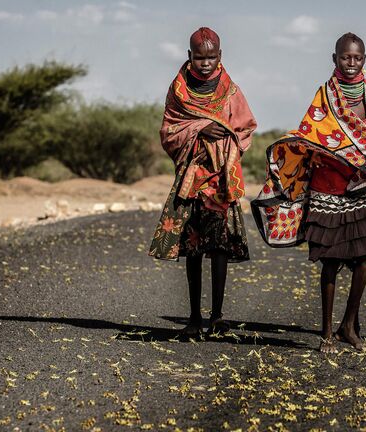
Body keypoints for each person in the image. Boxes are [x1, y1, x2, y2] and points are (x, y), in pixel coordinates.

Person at [252, 33, 366, 353]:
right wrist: (337, 151)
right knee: (330, 262)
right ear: (335, 59)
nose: (352, 63)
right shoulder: (325, 95)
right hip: (327, 187)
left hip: (359, 188)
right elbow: (311, 134)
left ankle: (348, 325)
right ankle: (327, 332)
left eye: (357, 59)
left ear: (364, 60)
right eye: (346, 58)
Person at [149, 27, 257, 338]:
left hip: (220, 179)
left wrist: (226, 145)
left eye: (211, 57)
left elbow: (246, 127)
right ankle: (195, 317)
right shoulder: (179, 90)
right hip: (191, 178)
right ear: (189, 57)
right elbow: (169, 130)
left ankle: (218, 317)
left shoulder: (231, 90)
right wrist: (200, 129)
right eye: (199, 57)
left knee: (219, 245)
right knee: (193, 246)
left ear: (220, 56)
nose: (205, 63)